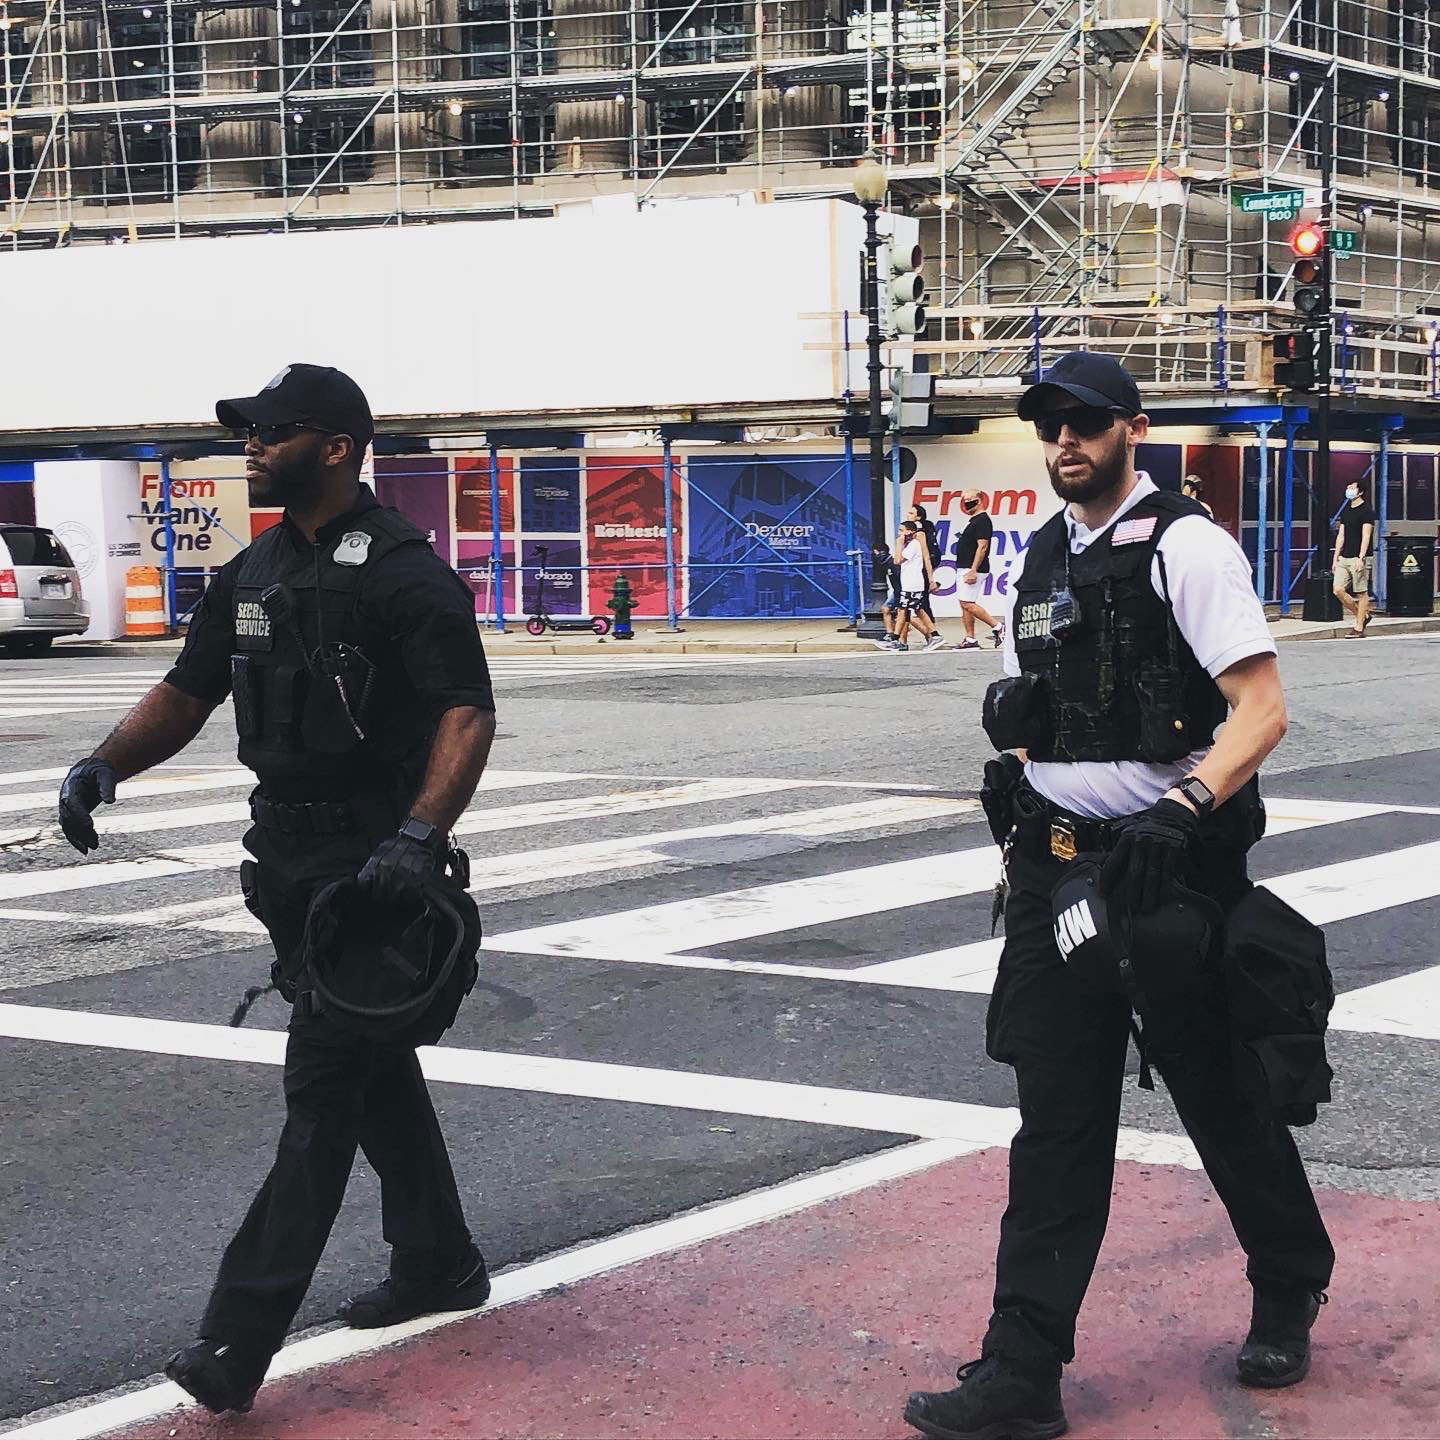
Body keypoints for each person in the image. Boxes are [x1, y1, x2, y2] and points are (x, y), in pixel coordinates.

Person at [904, 352, 1334, 1440]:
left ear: (1131, 430)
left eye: (1085, 424)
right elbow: (1051, 697)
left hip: (1161, 869)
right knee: (1056, 1115)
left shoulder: (1188, 546)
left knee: (1216, 1090)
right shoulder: (1043, 555)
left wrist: (1184, 808)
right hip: (1054, 873)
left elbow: (1262, 709)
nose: (1065, 443)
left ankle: (1289, 1276)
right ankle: (1022, 1370)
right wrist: (1016, 747)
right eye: (1050, 425)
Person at [56, 364, 499, 1415]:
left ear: (336, 446)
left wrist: (417, 837)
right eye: (249, 433)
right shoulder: (254, 570)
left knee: (322, 1092)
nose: (251, 446)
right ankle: (439, 1260)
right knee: (370, 1066)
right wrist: (104, 765)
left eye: (271, 432)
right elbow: (188, 688)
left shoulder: (402, 573)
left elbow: (465, 712)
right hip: (290, 866)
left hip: (372, 869)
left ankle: (235, 1338)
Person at [951, 489, 1004, 651]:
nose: (967, 503)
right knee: (964, 603)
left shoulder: (982, 520)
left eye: (970, 499)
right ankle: (970, 638)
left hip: (973, 568)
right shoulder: (972, 520)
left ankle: (998, 627)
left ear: (979, 500)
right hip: (964, 566)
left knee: (967, 603)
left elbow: (983, 546)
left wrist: (973, 569)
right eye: (964, 500)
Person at [879, 520, 943, 652]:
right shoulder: (910, 545)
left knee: (903, 610)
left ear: (909, 531)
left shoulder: (914, 545)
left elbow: (897, 560)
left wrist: (899, 543)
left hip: (912, 584)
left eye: (902, 530)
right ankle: (934, 636)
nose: (899, 533)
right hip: (911, 583)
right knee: (916, 610)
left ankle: (895, 638)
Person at [1332, 477, 1376, 636]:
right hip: (1344, 557)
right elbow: (1341, 535)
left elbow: (1366, 536)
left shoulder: (1367, 512)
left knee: (1361, 592)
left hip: (1359, 558)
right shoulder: (1347, 510)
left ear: (1360, 492)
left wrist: (1361, 557)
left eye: (1352, 487)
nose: (1348, 489)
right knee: (1338, 590)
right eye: (1348, 486)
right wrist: (1335, 557)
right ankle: (1362, 615)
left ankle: (1359, 627)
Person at [907, 502, 945, 648]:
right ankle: (929, 634)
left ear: (918, 517)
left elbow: (925, 556)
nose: (908, 515)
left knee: (917, 604)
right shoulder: (923, 529)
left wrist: (930, 579)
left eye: (911, 513)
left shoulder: (919, 532)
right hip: (917, 571)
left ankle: (932, 634)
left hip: (919, 570)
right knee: (915, 604)